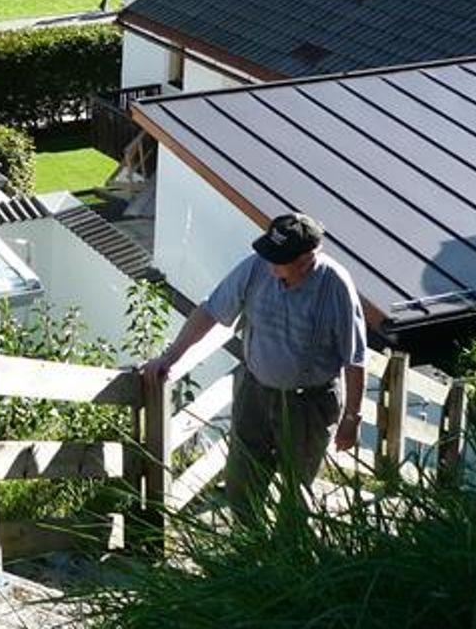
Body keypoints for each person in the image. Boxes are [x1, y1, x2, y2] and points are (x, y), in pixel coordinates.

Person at [140, 212, 367, 524]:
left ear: (307, 259)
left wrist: (352, 418)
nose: (271, 264)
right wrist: (170, 357)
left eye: (280, 259)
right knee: (241, 485)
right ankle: (252, 544)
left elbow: (355, 358)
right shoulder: (256, 267)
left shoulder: (335, 286)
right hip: (255, 393)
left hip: (309, 403)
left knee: (296, 495)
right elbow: (211, 310)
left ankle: (289, 550)